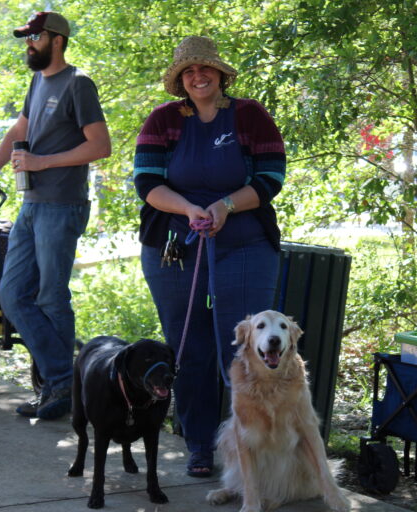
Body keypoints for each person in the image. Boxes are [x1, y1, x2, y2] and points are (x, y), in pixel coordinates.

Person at [133, 36, 286, 476]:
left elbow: (271, 177)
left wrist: (225, 206)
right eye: (189, 71)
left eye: (205, 69)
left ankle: (255, 452)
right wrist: (189, 209)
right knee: (189, 350)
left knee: (246, 351)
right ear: (180, 80)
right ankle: (199, 445)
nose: (198, 77)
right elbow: (147, 182)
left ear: (220, 74)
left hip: (245, 244)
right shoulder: (163, 120)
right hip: (176, 247)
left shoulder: (250, 115)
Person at [0, 11, 111, 420]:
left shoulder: (78, 84)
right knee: (11, 294)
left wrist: (42, 162)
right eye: (26, 38)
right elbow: (16, 133)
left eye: (35, 37)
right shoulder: (38, 81)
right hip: (32, 205)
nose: (28, 44)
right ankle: (64, 381)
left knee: (51, 297)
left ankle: (61, 387)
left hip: (62, 205)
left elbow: (100, 146)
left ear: (57, 40)